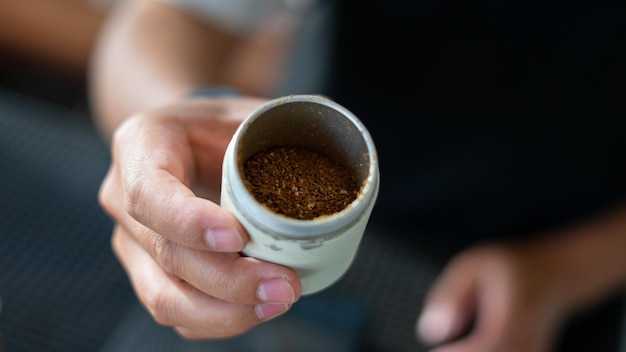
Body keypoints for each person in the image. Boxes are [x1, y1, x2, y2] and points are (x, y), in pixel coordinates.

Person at [89, 0, 626, 351]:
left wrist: (565, 271)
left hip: (545, 284)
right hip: (249, 245)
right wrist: (182, 128)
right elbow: (167, 19)